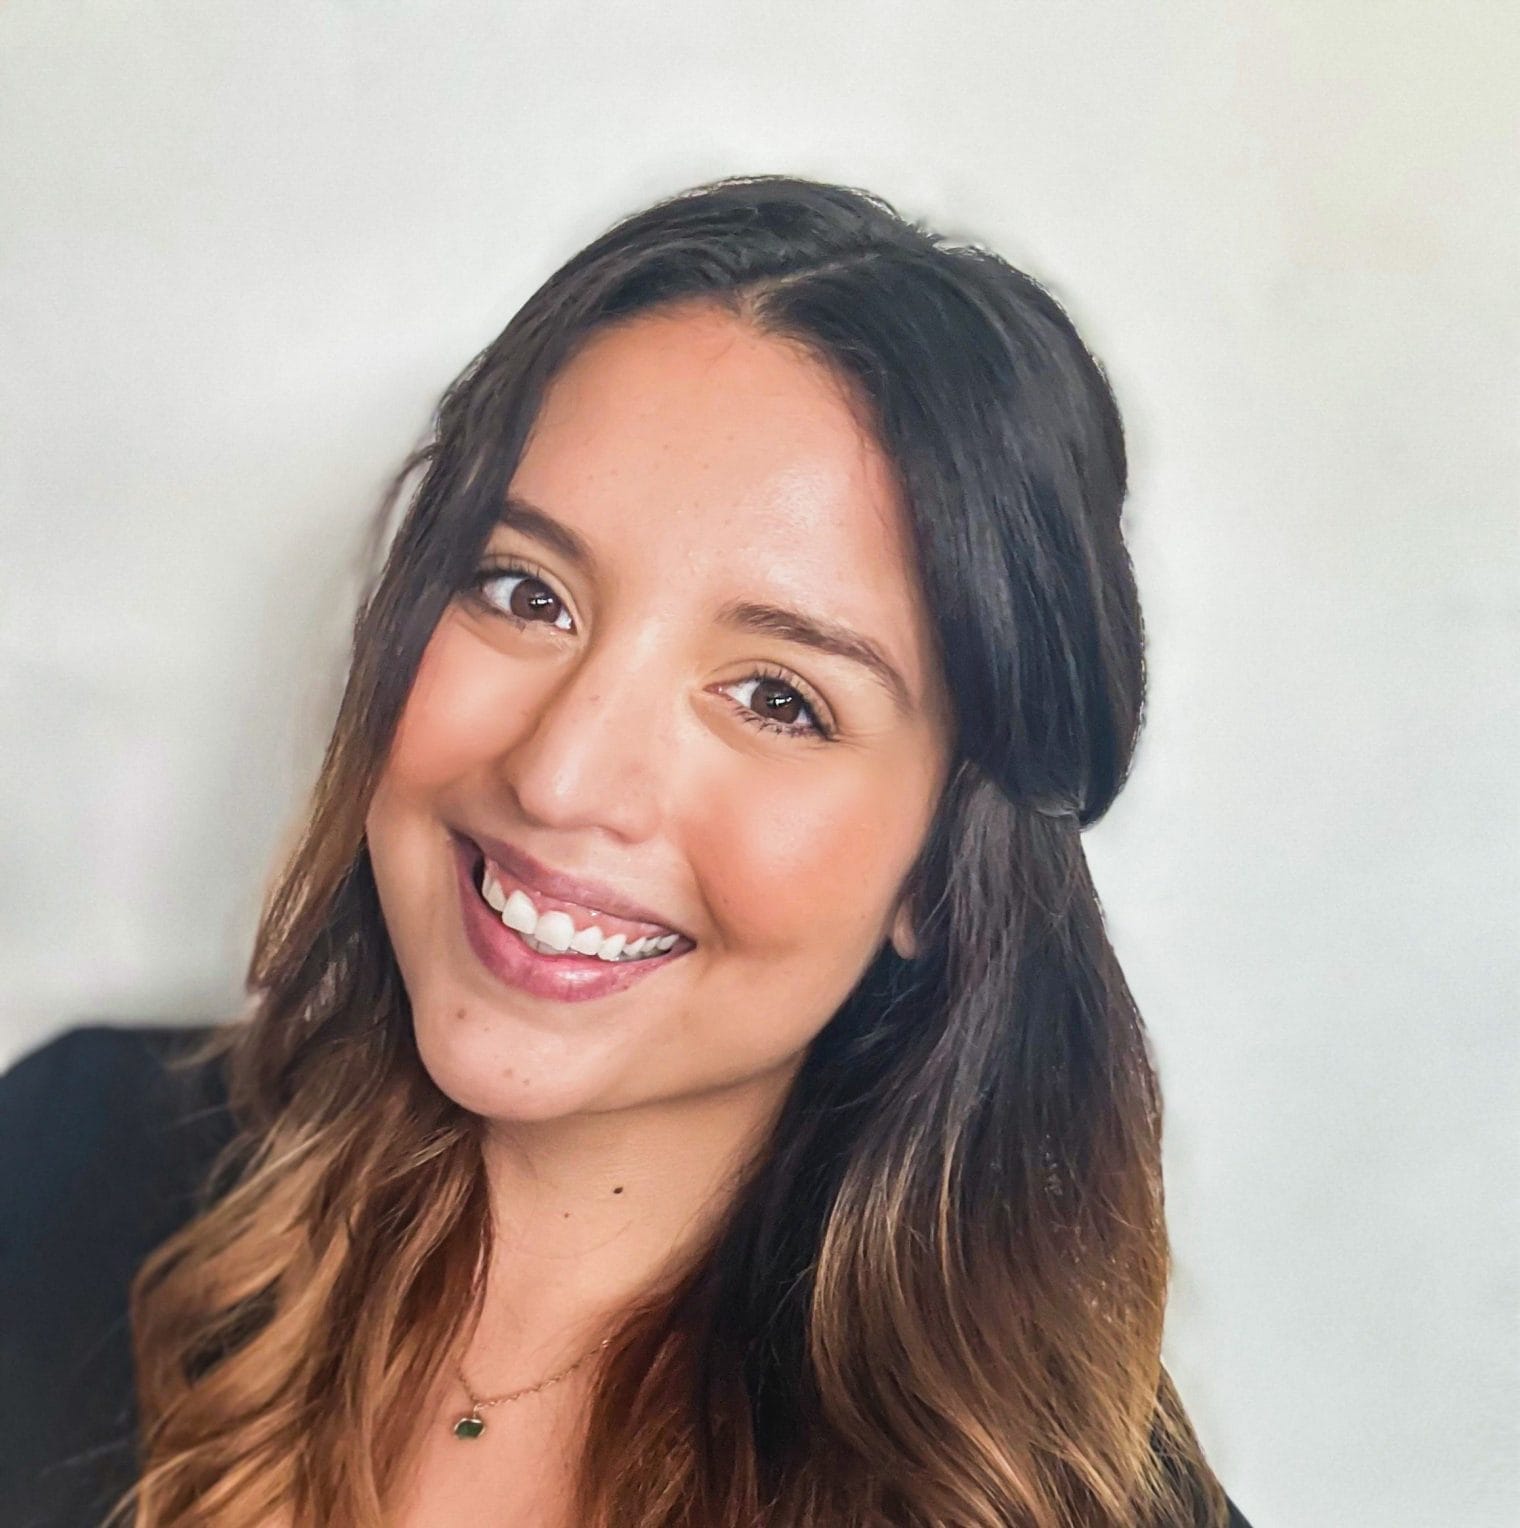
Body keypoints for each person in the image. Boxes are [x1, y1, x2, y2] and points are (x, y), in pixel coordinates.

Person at [0, 175, 1254, 1527]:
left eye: (780, 697)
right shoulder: (68, 1161)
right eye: (524, 593)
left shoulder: (1066, 1508)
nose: (560, 773)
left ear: (946, 870)